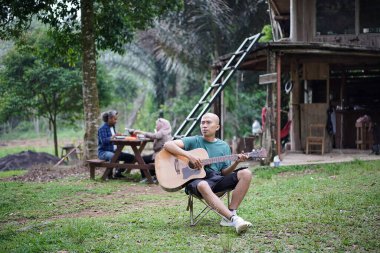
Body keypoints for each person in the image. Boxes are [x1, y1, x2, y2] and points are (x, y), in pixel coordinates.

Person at [163, 112, 253, 234]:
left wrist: (236, 163)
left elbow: (224, 173)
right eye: (202, 123)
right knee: (202, 184)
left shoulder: (224, 146)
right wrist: (189, 156)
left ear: (217, 127)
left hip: (216, 179)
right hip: (196, 181)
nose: (204, 126)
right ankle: (233, 219)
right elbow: (168, 144)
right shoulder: (194, 140)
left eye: (208, 122)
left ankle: (231, 213)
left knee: (246, 173)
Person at [98, 110, 135, 178]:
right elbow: (103, 141)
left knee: (131, 157)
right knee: (113, 156)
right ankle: (108, 175)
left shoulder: (112, 127)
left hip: (115, 151)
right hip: (104, 152)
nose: (116, 121)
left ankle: (118, 173)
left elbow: (114, 139)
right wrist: (113, 136)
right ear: (109, 119)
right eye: (115, 119)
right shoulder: (102, 129)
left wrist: (119, 136)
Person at [134, 118, 172, 183]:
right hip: (163, 155)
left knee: (141, 159)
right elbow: (156, 136)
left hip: (159, 156)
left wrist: (141, 132)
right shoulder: (167, 131)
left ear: (161, 125)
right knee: (146, 159)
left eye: (157, 125)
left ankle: (146, 177)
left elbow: (154, 135)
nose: (156, 126)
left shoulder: (162, 132)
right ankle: (152, 176)